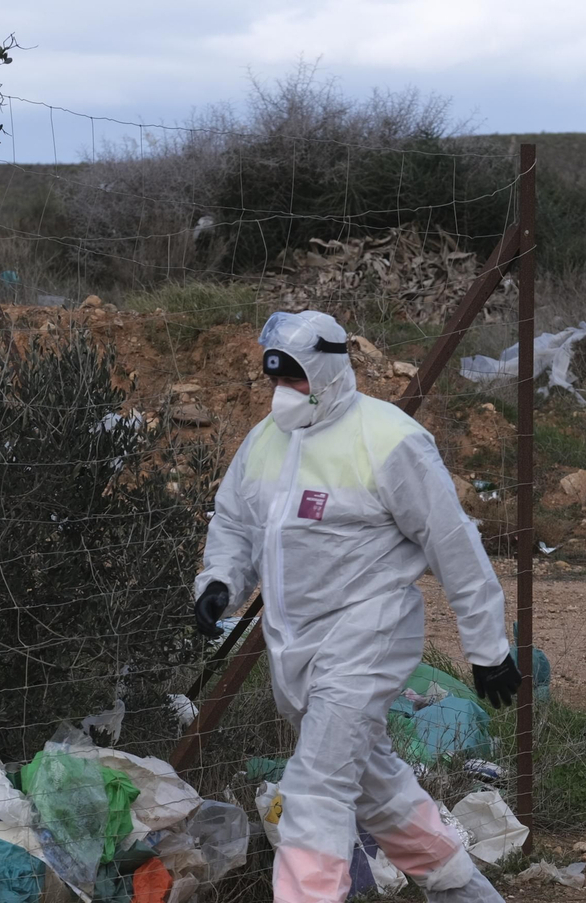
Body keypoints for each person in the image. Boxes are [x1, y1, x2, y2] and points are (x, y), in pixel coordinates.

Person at [193, 310, 520, 903]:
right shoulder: (267, 440)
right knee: (377, 786)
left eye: (294, 380)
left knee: (315, 788)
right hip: (293, 648)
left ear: (327, 373)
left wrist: (489, 646)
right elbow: (235, 522)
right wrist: (219, 582)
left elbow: (454, 545)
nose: (282, 394)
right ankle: (463, 893)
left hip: (366, 636)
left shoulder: (390, 440)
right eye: (276, 380)